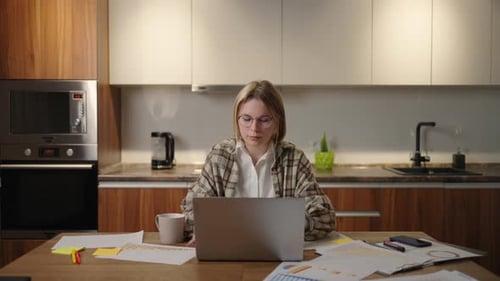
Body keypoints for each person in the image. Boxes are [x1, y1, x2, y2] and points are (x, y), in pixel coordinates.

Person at [181, 80, 336, 243]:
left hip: (279, 255)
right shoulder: (219, 157)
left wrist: (292, 223)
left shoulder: (295, 160)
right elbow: (192, 209)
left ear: (277, 123)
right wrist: (203, 226)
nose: (254, 129)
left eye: (264, 120)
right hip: (228, 252)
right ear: (236, 119)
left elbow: (324, 217)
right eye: (247, 119)